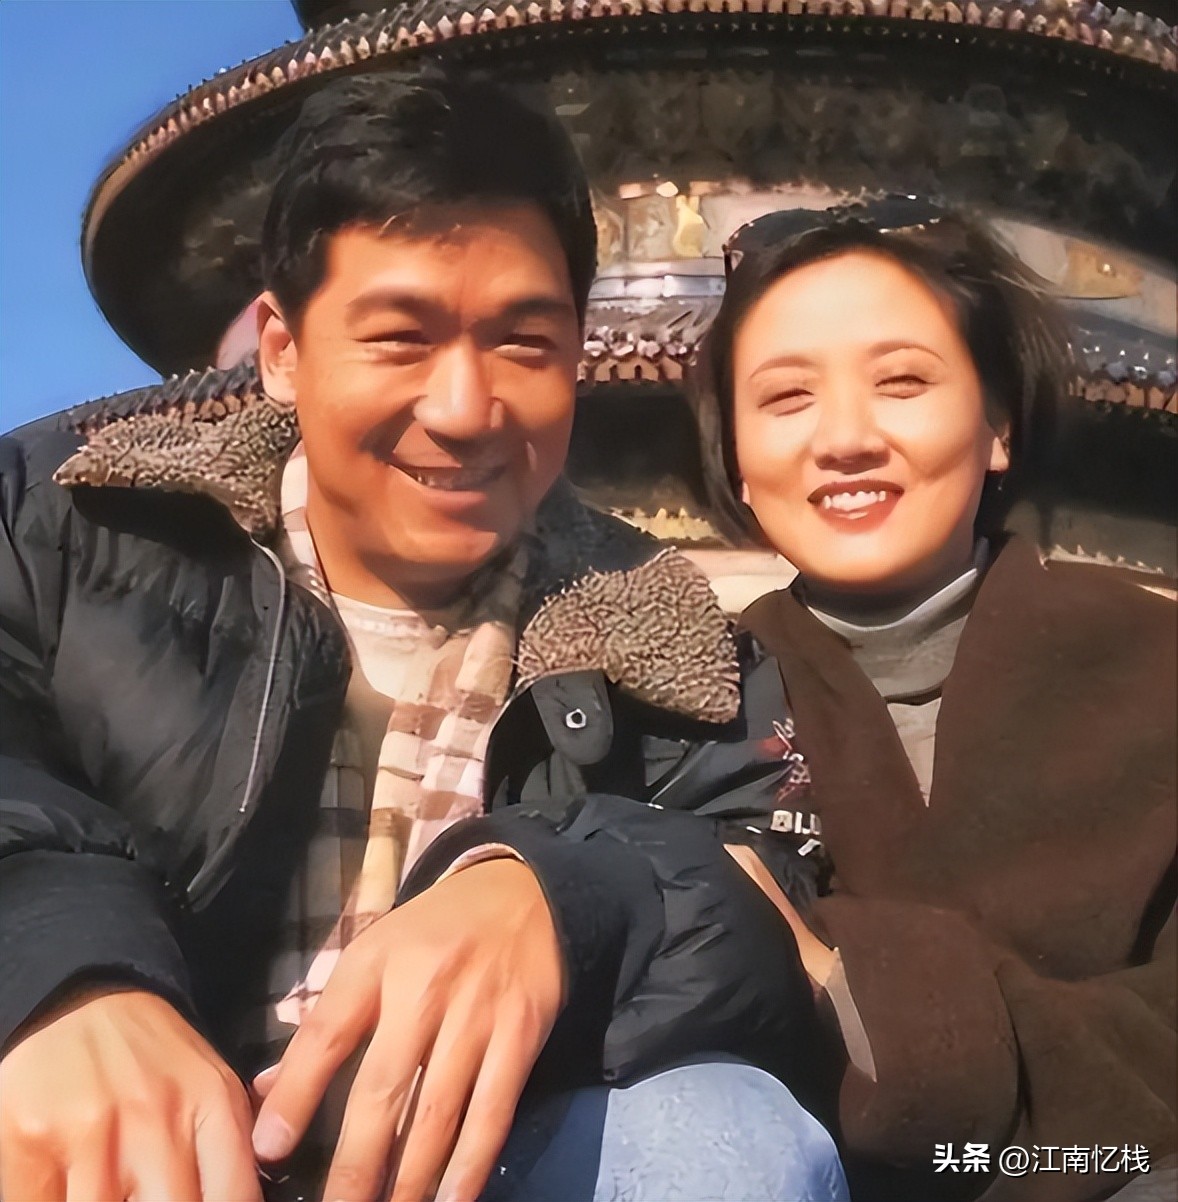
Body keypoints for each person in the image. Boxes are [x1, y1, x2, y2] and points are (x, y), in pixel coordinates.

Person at [0, 73, 847, 1202]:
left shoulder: (670, 634)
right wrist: (58, 968)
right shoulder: (66, 529)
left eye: (522, 342)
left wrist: (567, 898)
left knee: (728, 1143)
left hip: (470, 1166)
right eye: (400, 337)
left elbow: (767, 908)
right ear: (283, 349)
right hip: (110, 1151)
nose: (461, 409)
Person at [403, 200, 1176, 1202]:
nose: (844, 439)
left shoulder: (1154, 668)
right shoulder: (676, 702)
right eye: (786, 398)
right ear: (734, 455)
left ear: (996, 425)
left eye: (902, 382)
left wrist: (849, 977)